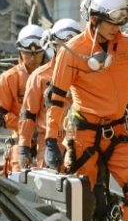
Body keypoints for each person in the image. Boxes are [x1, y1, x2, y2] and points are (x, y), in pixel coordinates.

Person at [44, 0, 128, 221]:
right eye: (111, 22)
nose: (118, 28)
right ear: (94, 19)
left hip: (117, 131)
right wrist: (52, 140)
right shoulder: (72, 51)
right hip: (84, 134)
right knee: (81, 200)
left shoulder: (125, 47)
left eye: (121, 21)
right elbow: (57, 99)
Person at [16, 18, 82, 169]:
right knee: (51, 188)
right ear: (53, 46)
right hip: (49, 142)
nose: (68, 51)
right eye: (62, 46)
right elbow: (28, 114)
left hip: (82, 140)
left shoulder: (89, 75)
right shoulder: (40, 76)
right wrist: (24, 148)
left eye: (73, 46)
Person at [0, 24, 45, 173]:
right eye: (28, 53)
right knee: (19, 183)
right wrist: (26, 128)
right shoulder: (8, 78)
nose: (33, 58)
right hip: (20, 143)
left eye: (37, 53)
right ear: (20, 52)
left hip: (49, 141)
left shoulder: (54, 76)